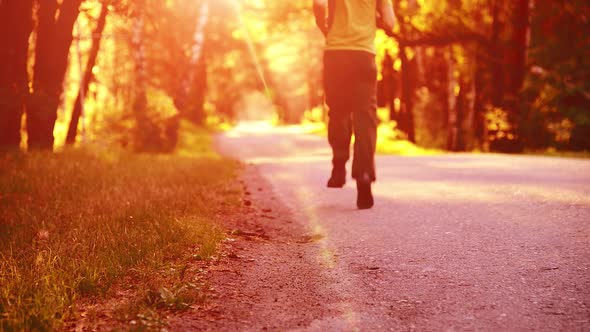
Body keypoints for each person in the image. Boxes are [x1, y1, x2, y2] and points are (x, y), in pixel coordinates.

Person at [313, 0, 395, 209]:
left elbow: (319, 4)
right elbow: (390, 23)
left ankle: (339, 164)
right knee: (365, 116)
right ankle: (364, 173)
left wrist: (327, 29)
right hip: (363, 55)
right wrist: (373, 20)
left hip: (335, 53)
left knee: (338, 111)